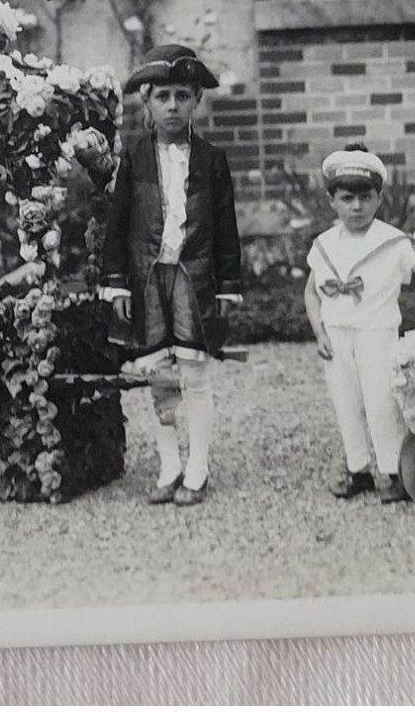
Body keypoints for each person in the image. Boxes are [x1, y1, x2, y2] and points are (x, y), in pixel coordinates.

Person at [100, 44, 243, 507]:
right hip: (147, 280)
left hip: (194, 277)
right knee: (158, 373)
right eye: (163, 96)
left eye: (183, 95)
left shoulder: (211, 160)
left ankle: (198, 466)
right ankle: (169, 464)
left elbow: (225, 227)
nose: (173, 106)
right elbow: (118, 224)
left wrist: (228, 287)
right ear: (147, 102)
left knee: (195, 373)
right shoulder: (134, 157)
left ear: (197, 100)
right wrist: (117, 280)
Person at [305, 145, 415, 504]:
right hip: (336, 335)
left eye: (365, 197)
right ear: (331, 201)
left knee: (383, 402)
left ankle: (395, 470)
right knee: (345, 401)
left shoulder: (392, 241)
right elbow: (311, 292)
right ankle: (358, 470)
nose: (357, 207)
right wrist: (319, 332)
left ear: (379, 198)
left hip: (376, 332)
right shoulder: (323, 244)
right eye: (347, 198)